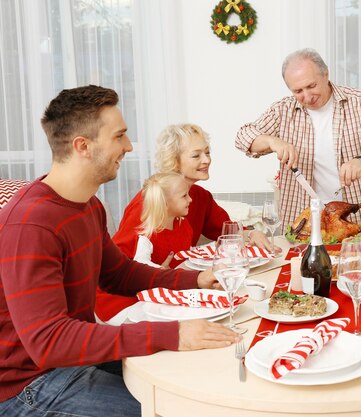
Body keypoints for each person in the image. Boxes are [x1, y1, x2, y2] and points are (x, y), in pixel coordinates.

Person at [0, 85, 241, 417]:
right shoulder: (30, 225)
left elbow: (119, 274)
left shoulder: (87, 205)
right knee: (177, 409)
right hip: (30, 383)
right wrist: (172, 332)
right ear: (82, 146)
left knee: (206, 371)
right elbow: (49, 341)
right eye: (120, 136)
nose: (128, 147)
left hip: (71, 358)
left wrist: (196, 279)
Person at [96, 123, 272, 323]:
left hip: (171, 289)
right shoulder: (149, 203)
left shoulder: (198, 196)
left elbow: (225, 230)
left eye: (207, 152)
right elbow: (118, 269)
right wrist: (156, 275)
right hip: (127, 301)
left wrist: (251, 234)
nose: (206, 160)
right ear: (175, 162)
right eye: (196, 155)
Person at [235, 48, 361, 231]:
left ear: (326, 74)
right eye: (298, 91)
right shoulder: (282, 111)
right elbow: (243, 137)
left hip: (358, 216)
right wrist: (272, 142)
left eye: (311, 86)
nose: (307, 96)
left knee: (358, 259)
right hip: (303, 220)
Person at [132, 172, 193, 269]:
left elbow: (186, 252)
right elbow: (140, 261)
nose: (190, 199)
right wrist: (161, 270)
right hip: (159, 282)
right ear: (165, 203)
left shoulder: (184, 225)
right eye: (184, 196)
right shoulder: (148, 235)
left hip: (183, 280)